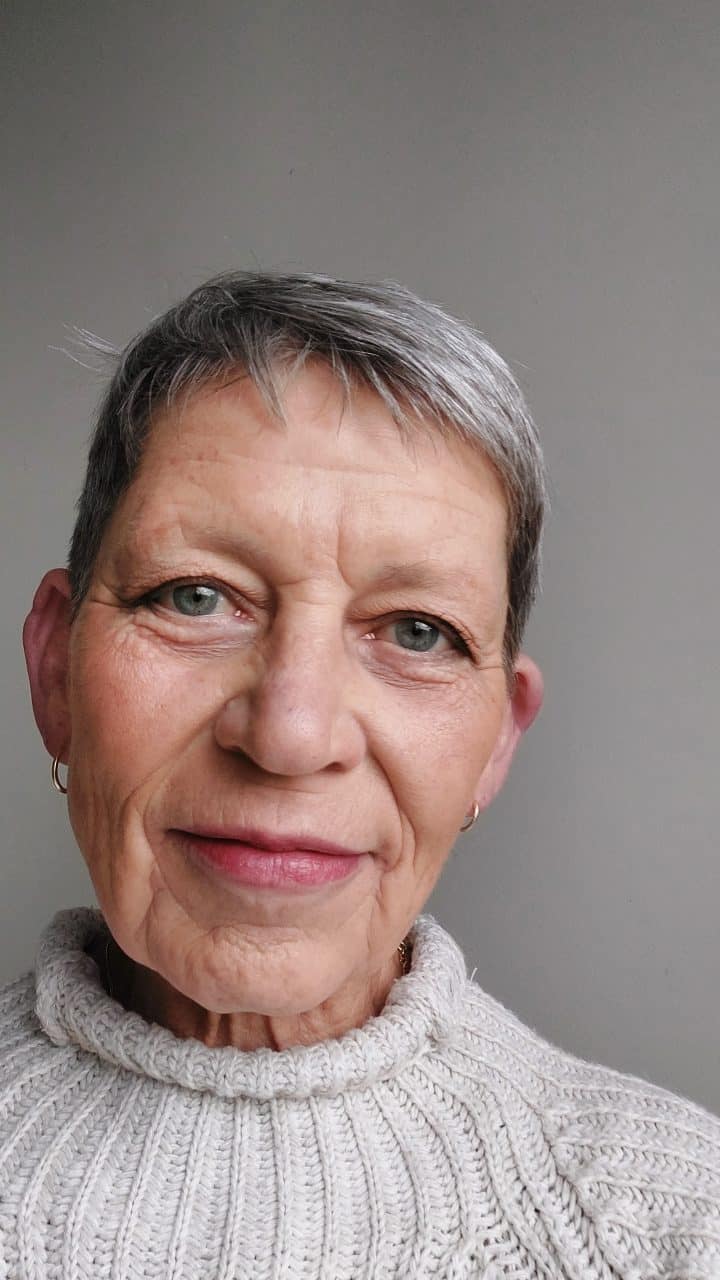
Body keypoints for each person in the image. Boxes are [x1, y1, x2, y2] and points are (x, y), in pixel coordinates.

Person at [3, 272, 719, 1280]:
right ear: (55, 671)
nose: (291, 735)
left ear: (496, 742)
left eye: (417, 631)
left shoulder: (678, 1230)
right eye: (195, 596)